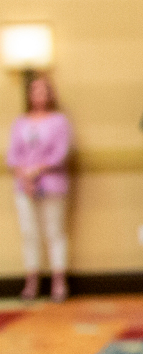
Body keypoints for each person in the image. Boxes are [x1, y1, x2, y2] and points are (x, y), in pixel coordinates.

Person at [9, 74, 70, 302]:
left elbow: (60, 153)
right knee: (29, 233)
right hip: (24, 186)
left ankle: (58, 282)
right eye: (35, 90)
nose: (39, 95)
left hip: (51, 183)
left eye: (44, 90)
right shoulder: (21, 122)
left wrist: (37, 170)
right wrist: (24, 176)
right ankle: (31, 282)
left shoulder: (59, 121)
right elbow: (13, 155)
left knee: (54, 232)